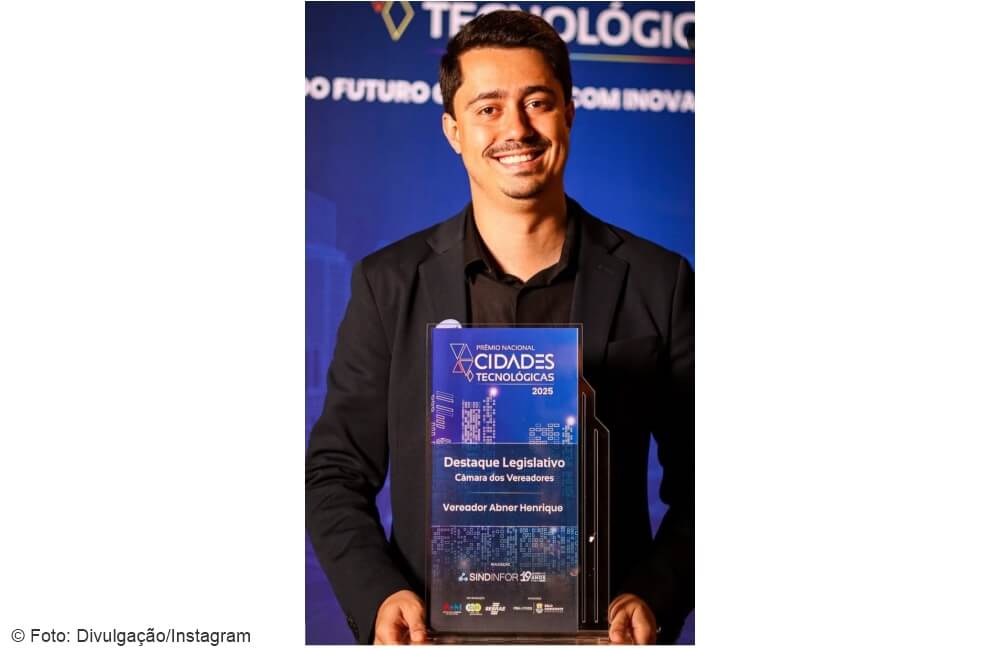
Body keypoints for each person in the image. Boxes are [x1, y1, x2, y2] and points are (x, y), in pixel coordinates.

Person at [306, 10, 693, 645]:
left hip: (603, 638)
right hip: (435, 636)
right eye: (488, 109)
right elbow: (334, 472)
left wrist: (655, 592)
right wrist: (380, 598)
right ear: (453, 131)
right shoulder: (387, 283)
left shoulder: (661, 280)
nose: (516, 128)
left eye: (537, 102)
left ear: (569, 113)